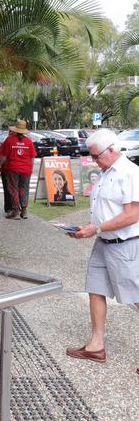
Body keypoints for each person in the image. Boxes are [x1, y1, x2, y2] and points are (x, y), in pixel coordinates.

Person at [66, 129, 139, 365]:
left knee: (135, 298)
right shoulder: (105, 172)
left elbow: (133, 214)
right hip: (103, 242)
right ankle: (96, 346)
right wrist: (86, 228)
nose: (93, 160)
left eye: (96, 156)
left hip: (124, 245)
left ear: (111, 150)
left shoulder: (130, 173)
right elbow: (105, 209)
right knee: (95, 290)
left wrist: (96, 229)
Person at [0, 120, 36, 219]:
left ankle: (16, 211)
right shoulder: (28, 141)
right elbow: (32, 158)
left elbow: (4, 157)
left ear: (16, 129)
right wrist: (30, 169)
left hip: (12, 169)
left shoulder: (9, 140)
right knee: (24, 189)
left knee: (13, 189)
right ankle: (24, 211)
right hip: (26, 169)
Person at [0, 130, 14, 214]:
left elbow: (2, 155)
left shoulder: (6, 142)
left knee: (7, 189)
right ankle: (17, 208)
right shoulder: (25, 141)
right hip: (18, 170)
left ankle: (9, 208)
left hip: (7, 169)